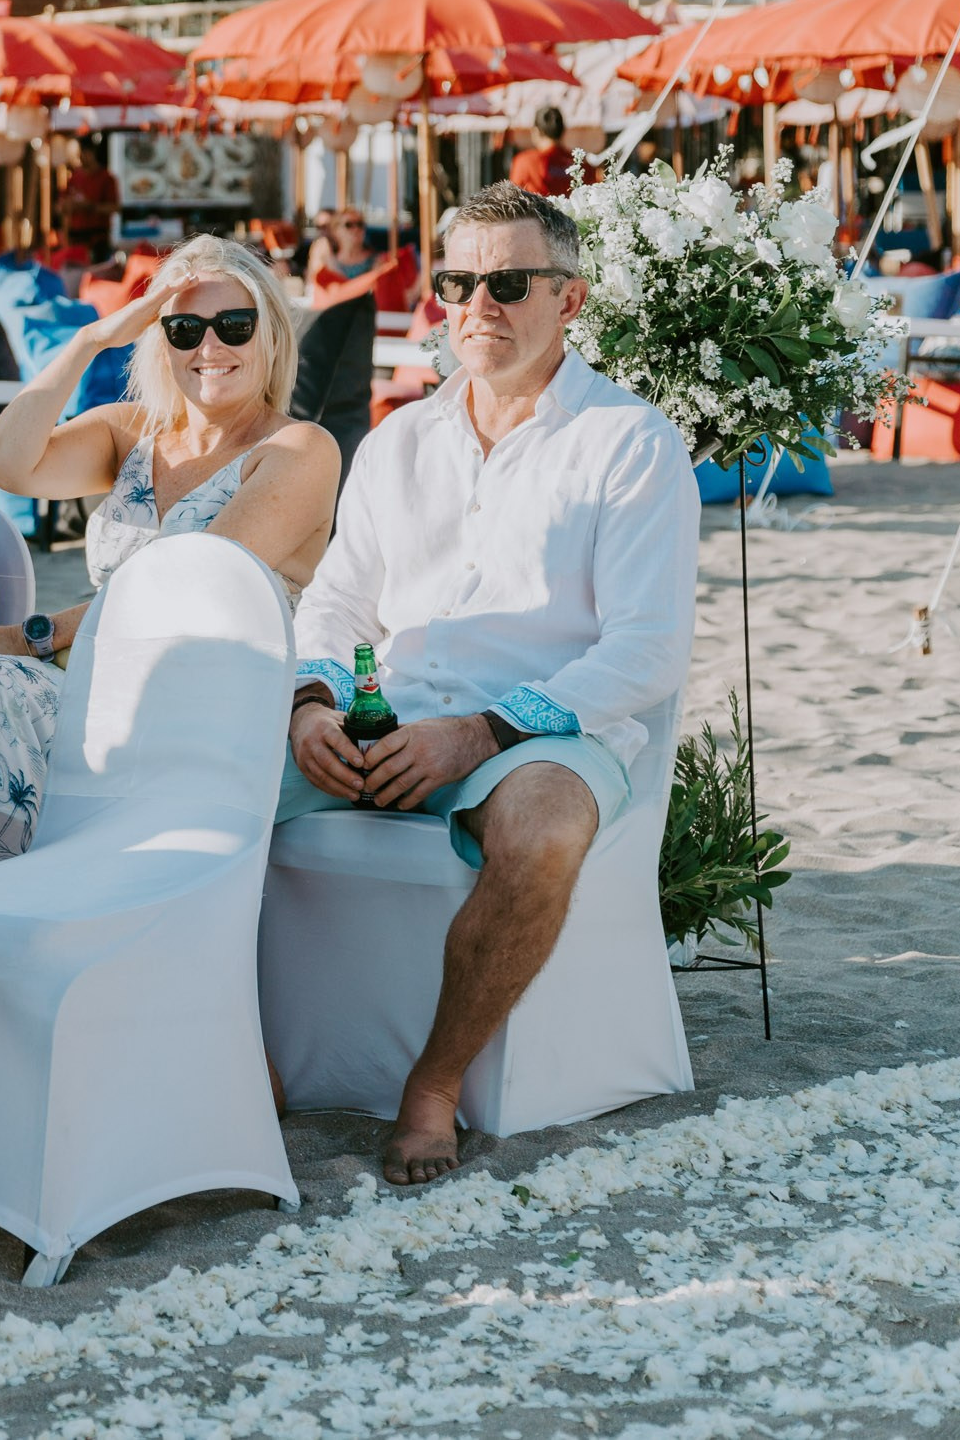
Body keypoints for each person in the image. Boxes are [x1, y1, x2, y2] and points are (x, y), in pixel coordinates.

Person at [279, 183, 698, 1186]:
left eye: (509, 282)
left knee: (543, 826)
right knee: (199, 789)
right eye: (459, 281)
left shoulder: (631, 444)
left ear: (572, 299)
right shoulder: (397, 443)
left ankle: (434, 1083)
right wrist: (310, 705)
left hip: (546, 730)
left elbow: (647, 652)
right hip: (390, 720)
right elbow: (334, 605)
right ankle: (222, 1056)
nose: (479, 305)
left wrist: (480, 733)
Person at [0, 236, 342, 867]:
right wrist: (90, 341)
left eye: (235, 325)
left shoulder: (299, 450)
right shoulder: (131, 432)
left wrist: (27, 636)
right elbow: (1, 463)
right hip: (91, 683)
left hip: (203, 699)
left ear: (271, 334)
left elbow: (185, 591)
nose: (210, 347)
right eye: (183, 328)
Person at [509, 105, 591, 198]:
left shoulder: (524, 161)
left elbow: (513, 199)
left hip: (539, 211)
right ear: (563, 131)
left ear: (536, 131)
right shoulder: (580, 163)